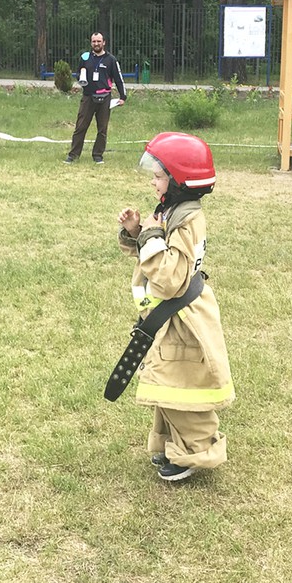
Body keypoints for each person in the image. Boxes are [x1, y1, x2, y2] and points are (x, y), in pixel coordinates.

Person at [115, 132, 232, 482]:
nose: (153, 181)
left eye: (159, 175)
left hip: (183, 319)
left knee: (185, 387)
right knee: (168, 384)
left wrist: (150, 236)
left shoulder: (187, 220)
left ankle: (196, 452)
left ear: (179, 181)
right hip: (169, 317)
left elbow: (170, 278)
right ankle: (172, 446)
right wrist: (138, 231)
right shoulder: (172, 210)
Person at [65, 32, 127, 164]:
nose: (96, 44)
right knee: (80, 127)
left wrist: (123, 96)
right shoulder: (85, 58)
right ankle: (73, 155)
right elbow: (78, 73)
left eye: (99, 41)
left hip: (104, 98)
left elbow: (118, 79)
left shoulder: (111, 60)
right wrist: (81, 78)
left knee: (102, 129)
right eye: (94, 41)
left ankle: (98, 155)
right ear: (91, 43)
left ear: (104, 42)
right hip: (88, 97)